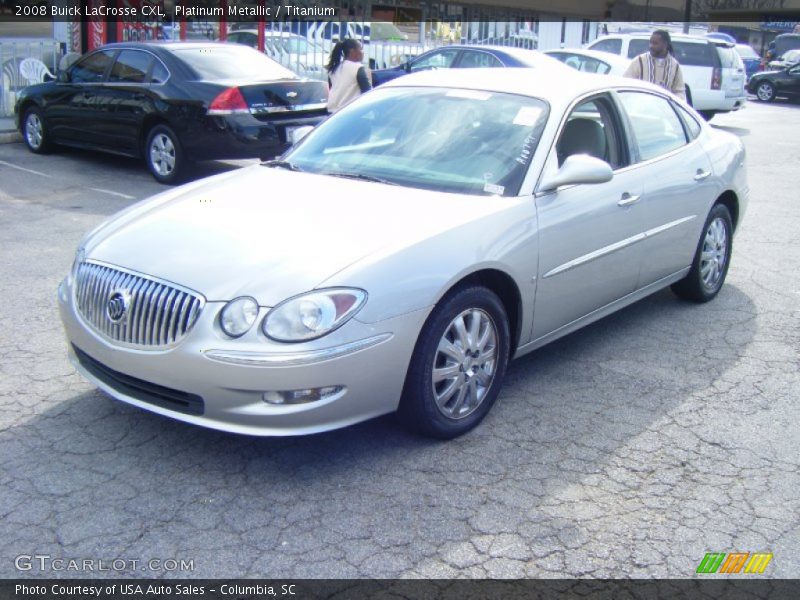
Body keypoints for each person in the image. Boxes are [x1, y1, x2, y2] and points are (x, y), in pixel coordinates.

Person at [624, 30, 686, 101]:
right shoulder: (639, 61)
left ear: (665, 44)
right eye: (650, 42)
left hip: (664, 109)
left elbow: (680, 92)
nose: (651, 46)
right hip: (640, 107)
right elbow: (626, 83)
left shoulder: (674, 66)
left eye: (655, 43)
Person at [326, 39, 371, 114]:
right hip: (349, 113)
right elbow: (367, 92)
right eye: (361, 49)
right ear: (352, 51)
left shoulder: (334, 68)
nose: (363, 52)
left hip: (332, 113)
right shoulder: (357, 67)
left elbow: (331, 89)